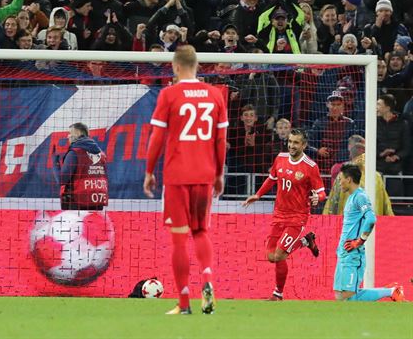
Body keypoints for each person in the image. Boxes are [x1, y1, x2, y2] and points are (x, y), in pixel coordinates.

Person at [143, 45, 228, 315]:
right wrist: (218, 173)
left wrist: (149, 170)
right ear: (197, 65)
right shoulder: (215, 95)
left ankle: (183, 302)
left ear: (176, 66)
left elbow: (157, 137)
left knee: (179, 239)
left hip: (177, 175)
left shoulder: (169, 94)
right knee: (201, 232)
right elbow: (221, 139)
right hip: (204, 174)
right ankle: (207, 282)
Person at [242, 128, 325, 301]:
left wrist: (318, 197)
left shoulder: (311, 167)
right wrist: (258, 195)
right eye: (290, 141)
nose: (291, 145)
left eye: (296, 142)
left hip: (297, 216)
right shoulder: (280, 158)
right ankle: (305, 241)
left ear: (304, 145)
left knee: (280, 255)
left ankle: (278, 294)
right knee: (271, 256)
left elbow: (322, 192)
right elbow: (272, 179)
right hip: (279, 214)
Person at [333, 163, 404, 302]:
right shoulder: (351, 197)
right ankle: (390, 290)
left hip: (353, 254)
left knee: (350, 297)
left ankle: (391, 291)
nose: (339, 181)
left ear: (349, 179)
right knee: (340, 296)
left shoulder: (361, 196)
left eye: (340, 178)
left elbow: (371, 219)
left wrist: (359, 241)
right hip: (343, 252)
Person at [53, 122, 108, 211]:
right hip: (97, 202)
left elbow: (62, 179)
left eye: (70, 133)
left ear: (78, 134)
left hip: (76, 203)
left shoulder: (74, 153)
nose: (68, 136)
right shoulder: (102, 155)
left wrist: (55, 162)